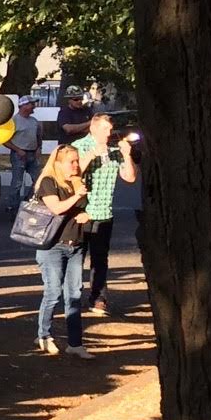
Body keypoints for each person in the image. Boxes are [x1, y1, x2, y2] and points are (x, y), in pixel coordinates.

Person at [72, 110, 136, 315]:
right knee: (75, 257)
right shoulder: (78, 147)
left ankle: (98, 298)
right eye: (104, 130)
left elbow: (130, 177)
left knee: (100, 259)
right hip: (81, 212)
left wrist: (127, 155)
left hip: (103, 211)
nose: (108, 134)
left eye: (110, 130)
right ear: (93, 128)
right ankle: (72, 297)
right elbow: (71, 175)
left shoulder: (115, 151)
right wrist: (92, 154)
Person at [33, 144, 93, 358]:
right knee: (53, 292)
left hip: (75, 244)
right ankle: (44, 335)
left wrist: (86, 215)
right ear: (58, 163)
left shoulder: (76, 183)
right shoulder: (49, 182)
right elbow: (56, 208)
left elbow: (82, 209)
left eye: (77, 161)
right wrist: (77, 196)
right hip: (53, 246)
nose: (76, 166)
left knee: (75, 294)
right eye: (72, 161)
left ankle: (75, 343)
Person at [7, 98, 42, 205]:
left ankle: (27, 201)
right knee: (17, 183)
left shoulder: (34, 121)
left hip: (32, 154)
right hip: (19, 155)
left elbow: (38, 136)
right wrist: (17, 150)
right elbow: (5, 140)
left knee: (39, 180)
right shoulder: (13, 121)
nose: (34, 106)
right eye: (31, 104)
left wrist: (38, 148)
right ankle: (13, 206)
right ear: (23, 106)